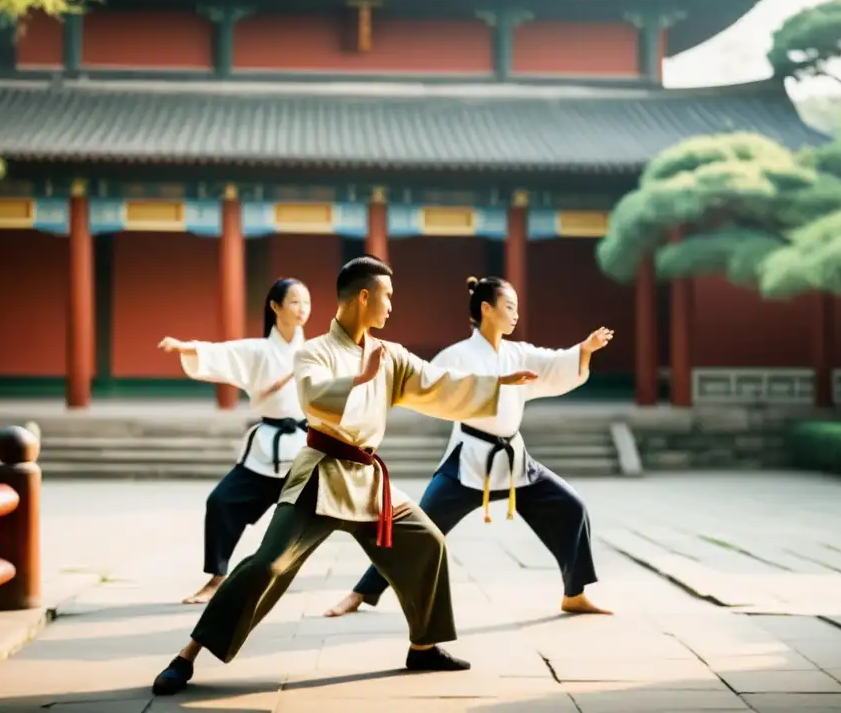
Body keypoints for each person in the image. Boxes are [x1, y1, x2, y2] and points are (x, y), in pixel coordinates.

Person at [151, 256, 539, 696]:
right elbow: (314, 398)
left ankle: (423, 645)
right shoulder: (314, 351)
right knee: (268, 563)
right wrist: (360, 377)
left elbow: (438, 382)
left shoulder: (389, 354)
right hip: (321, 476)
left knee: (427, 541)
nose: (392, 306)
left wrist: (495, 383)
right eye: (387, 296)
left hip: (369, 482)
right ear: (363, 296)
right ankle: (186, 656)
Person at [325, 275, 614, 620]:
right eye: (509, 307)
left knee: (572, 508)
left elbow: (554, 364)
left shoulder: (518, 352)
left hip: (514, 461)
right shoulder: (458, 356)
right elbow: (430, 385)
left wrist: (583, 350)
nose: (515, 314)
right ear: (486, 309)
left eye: (516, 308)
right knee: (419, 528)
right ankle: (361, 592)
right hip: (468, 462)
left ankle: (575, 593)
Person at [158, 278, 312, 605]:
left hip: (303, 449)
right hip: (266, 448)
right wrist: (184, 347)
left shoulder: (315, 352)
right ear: (275, 307)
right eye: (296, 302)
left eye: (307, 303)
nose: (303, 310)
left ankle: (368, 582)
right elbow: (223, 353)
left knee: (339, 514)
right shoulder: (258, 350)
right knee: (222, 503)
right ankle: (217, 577)